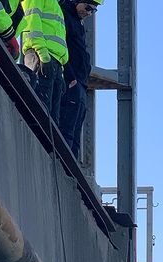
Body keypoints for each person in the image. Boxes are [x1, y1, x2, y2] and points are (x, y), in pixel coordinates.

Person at [58, 1, 103, 157]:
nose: (89, 13)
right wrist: (69, 74)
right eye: (88, 8)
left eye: (93, 11)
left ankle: (70, 164)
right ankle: (62, 161)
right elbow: (61, 45)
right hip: (72, 80)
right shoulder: (64, 14)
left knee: (76, 132)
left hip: (80, 82)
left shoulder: (78, 23)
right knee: (67, 128)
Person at [21, 0, 69, 122]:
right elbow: (32, 26)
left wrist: (60, 71)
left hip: (54, 62)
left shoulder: (56, 5)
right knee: (40, 110)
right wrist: (43, 55)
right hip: (41, 56)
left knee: (52, 120)